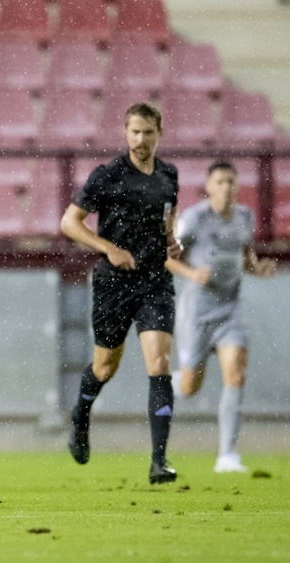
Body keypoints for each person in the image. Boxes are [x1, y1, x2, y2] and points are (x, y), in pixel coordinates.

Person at [60, 102, 183, 485]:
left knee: (159, 362)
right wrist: (107, 247)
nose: (140, 140)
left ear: (159, 131)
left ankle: (158, 461)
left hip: (154, 282)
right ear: (125, 132)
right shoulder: (108, 175)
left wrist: (171, 242)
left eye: (147, 132)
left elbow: (168, 215)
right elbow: (69, 222)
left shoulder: (169, 175)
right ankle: (81, 414)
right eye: (134, 132)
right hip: (114, 283)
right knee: (105, 367)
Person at [165, 160, 276, 474]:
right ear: (209, 186)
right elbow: (165, 256)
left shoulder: (244, 217)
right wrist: (191, 272)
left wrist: (258, 269)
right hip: (198, 313)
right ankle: (170, 382)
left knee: (236, 375)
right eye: (220, 182)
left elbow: (245, 257)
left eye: (231, 181)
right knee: (189, 387)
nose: (226, 187)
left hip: (230, 310)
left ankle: (227, 455)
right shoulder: (194, 219)